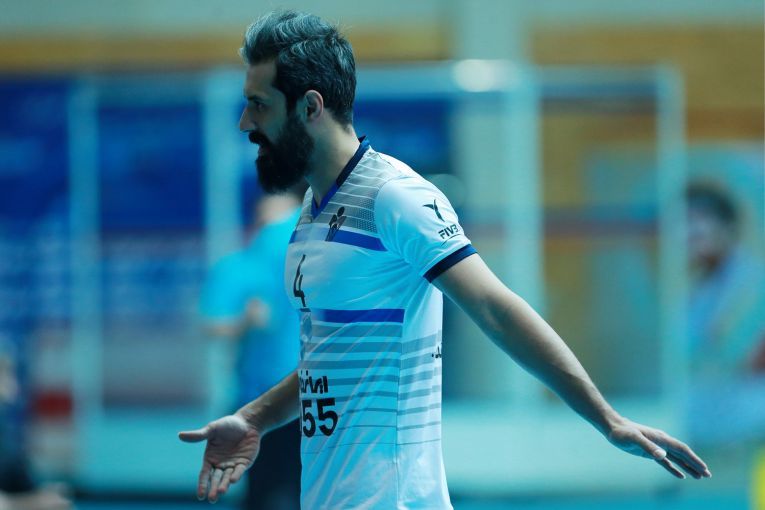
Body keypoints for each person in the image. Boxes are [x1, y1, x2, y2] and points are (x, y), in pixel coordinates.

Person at [179, 10, 711, 509]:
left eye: (259, 104)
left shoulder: (394, 197)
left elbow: (496, 308)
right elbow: (331, 358)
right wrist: (255, 418)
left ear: (310, 107)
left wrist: (607, 419)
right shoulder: (312, 213)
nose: (245, 122)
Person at [200, 191, 303, 510]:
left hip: (311, 392)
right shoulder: (241, 265)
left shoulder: (321, 259)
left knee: (303, 486)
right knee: (267, 488)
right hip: (260, 394)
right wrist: (245, 321)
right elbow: (213, 323)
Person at [685, 183, 765, 446]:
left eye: (700, 219)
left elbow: (735, 355)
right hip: (711, 407)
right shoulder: (699, 284)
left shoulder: (751, 281)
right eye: (685, 222)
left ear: (728, 225)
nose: (691, 231)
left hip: (745, 408)